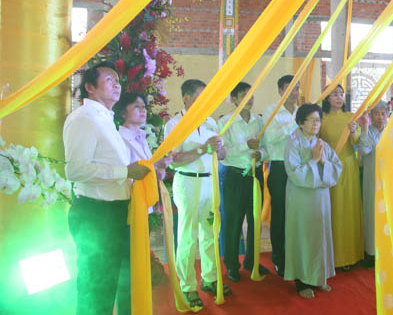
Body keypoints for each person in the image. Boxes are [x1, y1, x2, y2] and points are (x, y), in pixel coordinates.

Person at [64, 61, 150, 315]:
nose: (117, 85)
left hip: (114, 213)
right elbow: (75, 170)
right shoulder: (84, 118)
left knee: (114, 282)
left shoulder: (105, 119)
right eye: (110, 80)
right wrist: (125, 172)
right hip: (96, 214)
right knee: (96, 289)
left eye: (118, 81)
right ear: (90, 87)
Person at [164, 79, 229, 309]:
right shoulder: (175, 124)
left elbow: (222, 154)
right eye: (202, 96)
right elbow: (173, 161)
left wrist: (219, 148)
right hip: (188, 183)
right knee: (188, 237)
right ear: (187, 98)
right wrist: (203, 149)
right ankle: (187, 285)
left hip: (210, 183)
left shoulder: (211, 122)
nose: (206, 101)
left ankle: (210, 278)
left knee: (210, 232)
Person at [283, 103, 342, 299]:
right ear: (301, 123)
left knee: (319, 236)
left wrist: (323, 160)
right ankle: (301, 281)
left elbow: (337, 166)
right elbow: (295, 174)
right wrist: (314, 160)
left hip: (320, 197)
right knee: (303, 237)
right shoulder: (293, 143)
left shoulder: (320, 143)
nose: (316, 123)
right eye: (312, 120)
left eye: (318, 120)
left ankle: (318, 277)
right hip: (301, 198)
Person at [219, 82, 271, 282]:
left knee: (255, 221)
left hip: (255, 175)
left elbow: (266, 147)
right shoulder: (226, 121)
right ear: (234, 99)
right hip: (235, 175)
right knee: (233, 223)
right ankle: (232, 265)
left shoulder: (259, 121)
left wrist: (260, 154)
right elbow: (223, 154)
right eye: (244, 95)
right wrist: (245, 146)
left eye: (251, 95)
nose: (249, 99)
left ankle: (252, 261)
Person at [319, 84, 364, 269]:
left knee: (349, 208)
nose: (339, 97)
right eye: (334, 94)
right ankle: (332, 256)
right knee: (333, 209)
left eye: (341, 94)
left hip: (349, 166)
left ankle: (350, 255)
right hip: (329, 167)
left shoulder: (350, 117)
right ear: (326, 98)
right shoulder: (321, 118)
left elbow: (356, 140)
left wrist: (353, 130)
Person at [262, 75, 299, 277]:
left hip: (299, 167)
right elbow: (272, 137)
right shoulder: (271, 111)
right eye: (289, 88)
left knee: (297, 213)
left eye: (297, 88)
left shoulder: (302, 111)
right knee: (279, 214)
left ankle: (295, 255)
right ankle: (279, 258)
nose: (294, 92)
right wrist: (295, 124)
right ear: (280, 91)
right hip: (279, 167)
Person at [356, 101, 389, 267]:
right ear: (371, 116)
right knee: (371, 213)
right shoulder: (367, 131)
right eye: (377, 114)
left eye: (383, 114)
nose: (380, 117)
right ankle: (371, 252)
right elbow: (363, 150)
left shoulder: (391, 130)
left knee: (387, 214)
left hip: (389, 179)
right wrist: (365, 128)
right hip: (371, 178)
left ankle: (387, 251)